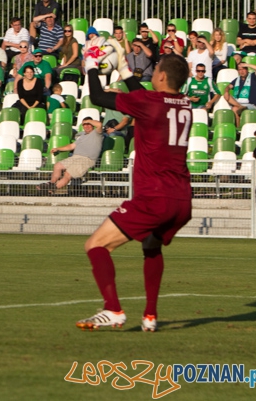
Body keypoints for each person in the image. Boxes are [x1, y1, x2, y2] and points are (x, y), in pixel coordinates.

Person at [75, 44, 192, 332]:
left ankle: (113, 309)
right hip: (181, 199)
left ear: (161, 76)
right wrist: (124, 69)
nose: (153, 74)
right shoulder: (184, 103)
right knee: (151, 246)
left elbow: (98, 97)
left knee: (95, 245)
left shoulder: (150, 102)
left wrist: (91, 65)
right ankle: (150, 316)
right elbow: (144, 96)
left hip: (154, 196)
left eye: (156, 69)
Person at [39, 119, 103, 193]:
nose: (86, 126)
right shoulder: (82, 136)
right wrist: (58, 148)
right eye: (84, 125)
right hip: (75, 157)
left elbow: (99, 125)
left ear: (92, 125)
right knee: (57, 166)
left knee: (68, 174)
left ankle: (51, 189)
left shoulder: (97, 134)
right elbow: (72, 146)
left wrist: (87, 121)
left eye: (88, 124)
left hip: (87, 159)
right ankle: (51, 183)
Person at [224, 61, 256, 125]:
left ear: (247, 70)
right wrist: (226, 91)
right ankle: (240, 106)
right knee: (226, 95)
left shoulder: (252, 77)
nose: (242, 71)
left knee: (235, 108)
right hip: (238, 103)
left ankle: (238, 127)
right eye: (240, 69)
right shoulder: (237, 79)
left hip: (250, 104)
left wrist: (247, 64)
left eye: (243, 69)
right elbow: (228, 86)